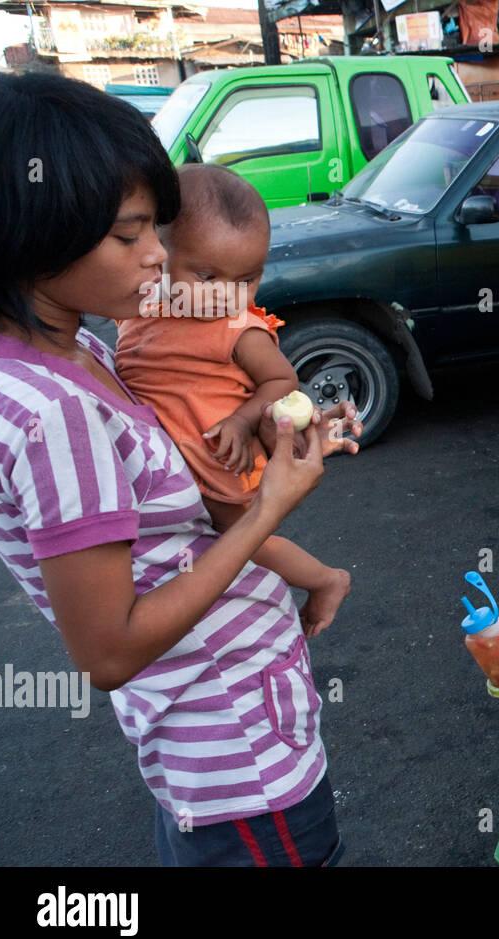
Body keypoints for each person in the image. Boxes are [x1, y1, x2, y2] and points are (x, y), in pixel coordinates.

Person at [0, 73, 361, 866]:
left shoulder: (77, 350)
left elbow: (178, 463)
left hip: (221, 733)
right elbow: (109, 652)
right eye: (129, 237)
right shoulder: (52, 411)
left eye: (155, 229)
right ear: (31, 230)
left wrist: (278, 425)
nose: (158, 257)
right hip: (237, 759)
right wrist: (269, 508)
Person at [115, 164, 352, 638]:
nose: (227, 295)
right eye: (207, 276)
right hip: (180, 461)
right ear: (160, 256)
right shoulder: (138, 309)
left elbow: (282, 380)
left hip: (221, 458)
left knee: (245, 540)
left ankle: (327, 580)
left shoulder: (238, 328)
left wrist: (244, 423)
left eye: (246, 279)